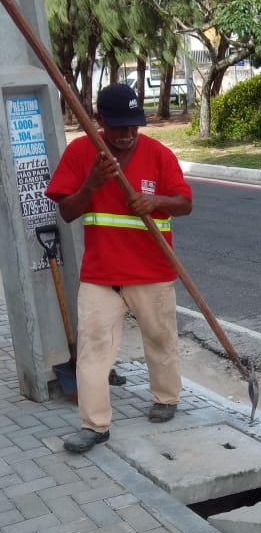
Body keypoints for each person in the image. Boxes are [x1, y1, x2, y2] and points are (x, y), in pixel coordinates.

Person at [46, 82, 192, 453]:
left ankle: (165, 398)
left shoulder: (159, 154)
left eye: (134, 126)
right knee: (93, 351)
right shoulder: (81, 153)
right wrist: (92, 184)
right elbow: (67, 211)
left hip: (152, 272)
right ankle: (94, 425)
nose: (128, 135)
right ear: (99, 121)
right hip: (101, 276)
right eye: (118, 127)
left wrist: (156, 200)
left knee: (161, 341)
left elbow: (184, 204)